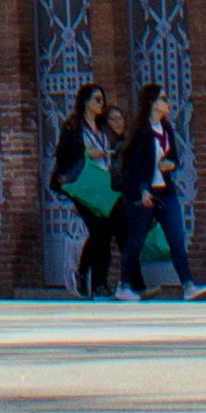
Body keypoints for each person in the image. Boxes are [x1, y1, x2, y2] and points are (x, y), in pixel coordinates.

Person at [117, 84, 204, 297]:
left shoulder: (166, 130)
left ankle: (187, 285)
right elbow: (134, 166)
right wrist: (143, 190)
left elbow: (173, 156)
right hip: (143, 194)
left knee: (176, 238)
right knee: (136, 240)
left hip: (165, 191)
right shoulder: (141, 133)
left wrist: (171, 164)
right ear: (152, 103)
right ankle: (124, 285)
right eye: (163, 99)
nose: (168, 103)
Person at [52, 82, 124, 294]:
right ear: (85, 102)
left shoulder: (103, 128)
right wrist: (86, 154)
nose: (101, 104)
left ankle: (97, 282)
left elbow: (115, 147)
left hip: (102, 185)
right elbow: (63, 154)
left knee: (105, 232)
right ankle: (89, 276)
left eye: (102, 100)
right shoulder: (73, 127)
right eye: (97, 100)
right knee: (99, 230)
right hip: (84, 186)